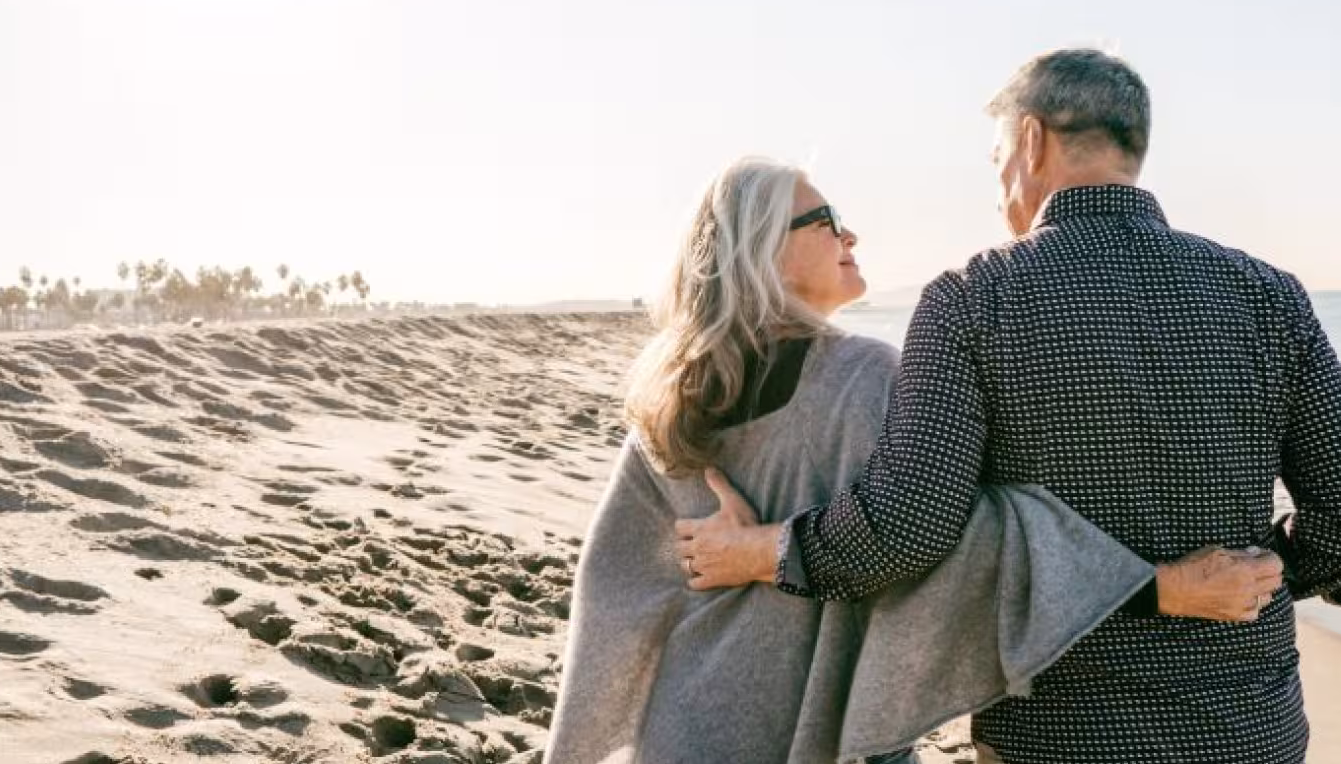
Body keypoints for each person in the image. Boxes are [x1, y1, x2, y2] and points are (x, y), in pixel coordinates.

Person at [677, 49, 1341, 764]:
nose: (998, 188)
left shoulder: (971, 299)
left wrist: (767, 551)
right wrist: (1269, 570)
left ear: (1029, 141)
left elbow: (908, 528)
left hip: (1060, 732)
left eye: (996, 158)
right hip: (1250, 729)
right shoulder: (1267, 293)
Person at [547, 157, 1283, 763]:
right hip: (816, 722)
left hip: (688, 722)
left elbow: (613, 589)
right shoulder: (866, 377)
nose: (849, 233)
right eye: (824, 221)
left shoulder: (671, 395)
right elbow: (955, 540)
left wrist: (578, 746)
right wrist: (1155, 588)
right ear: (765, 248)